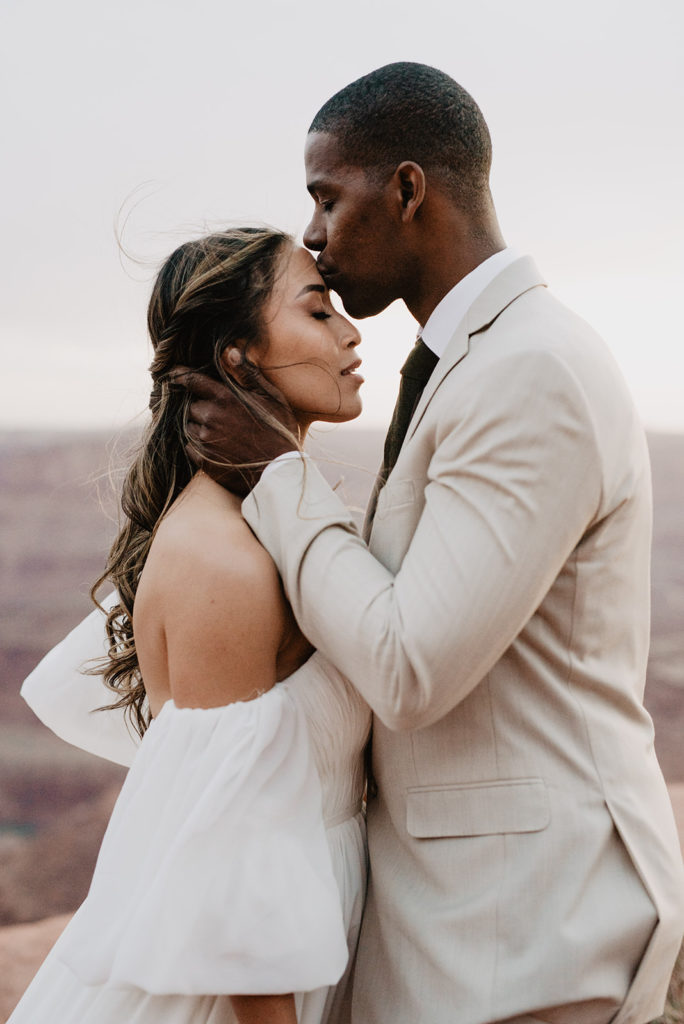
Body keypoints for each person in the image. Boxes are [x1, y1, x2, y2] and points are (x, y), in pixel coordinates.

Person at [178, 63, 684, 1024]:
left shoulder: (530, 370)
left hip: (539, 944)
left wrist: (278, 476)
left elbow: (410, 666)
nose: (316, 240)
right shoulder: (471, 363)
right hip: (469, 941)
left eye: (327, 197)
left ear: (408, 190)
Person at [12, 227, 371, 1024]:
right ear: (239, 357)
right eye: (318, 312)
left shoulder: (273, 519)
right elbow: (233, 879)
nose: (351, 333)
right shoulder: (223, 561)